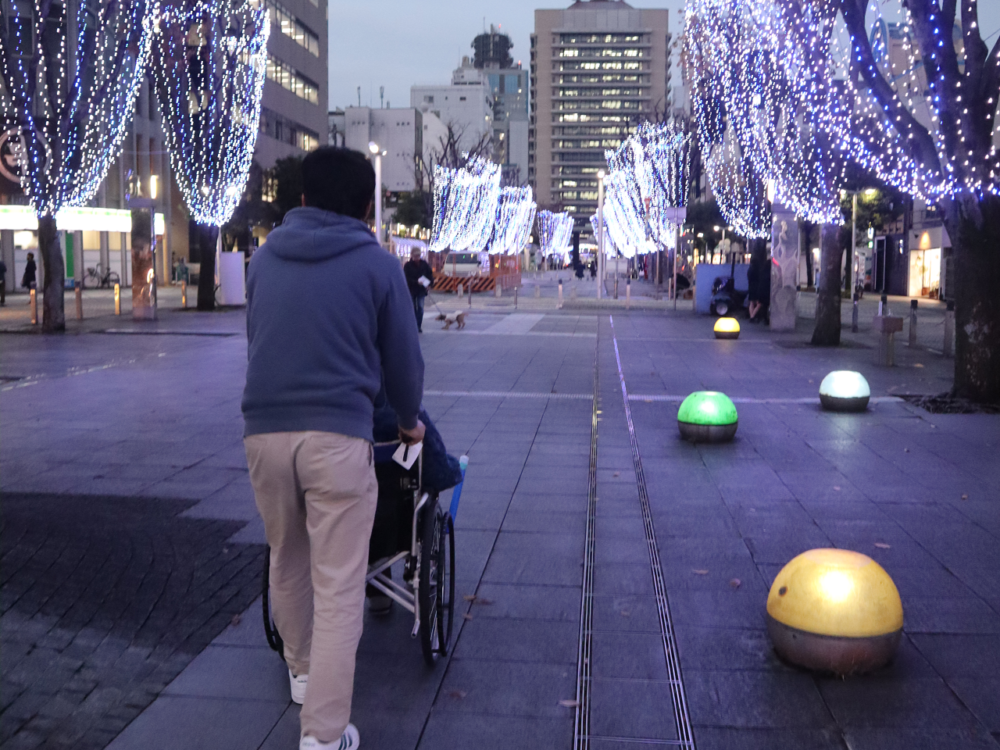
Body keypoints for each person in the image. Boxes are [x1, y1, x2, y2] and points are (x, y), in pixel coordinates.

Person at [241, 146, 425, 750]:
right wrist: (408, 422)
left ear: (301, 200)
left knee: (285, 557)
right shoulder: (376, 265)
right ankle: (322, 735)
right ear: (363, 207)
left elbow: (258, 339)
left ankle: (300, 673)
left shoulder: (264, 260)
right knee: (340, 583)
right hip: (337, 437)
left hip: (264, 433)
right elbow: (404, 363)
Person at [403, 247, 433, 332]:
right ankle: (413, 325)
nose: (417, 258)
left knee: (420, 307)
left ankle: (418, 325)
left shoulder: (424, 264)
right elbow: (405, 277)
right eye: (415, 256)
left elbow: (430, 275)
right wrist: (416, 282)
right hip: (411, 289)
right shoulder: (408, 265)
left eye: (418, 256)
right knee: (412, 308)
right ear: (412, 256)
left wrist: (430, 284)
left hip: (421, 290)